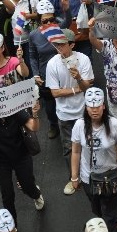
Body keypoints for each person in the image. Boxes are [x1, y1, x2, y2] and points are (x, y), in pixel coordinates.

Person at [0, 69, 44, 225]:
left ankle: (36, 194)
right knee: (7, 195)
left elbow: (33, 127)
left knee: (28, 186)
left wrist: (35, 114)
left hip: (21, 156)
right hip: (0, 161)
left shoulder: (16, 111)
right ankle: (13, 228)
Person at [70, 88, 117, 232]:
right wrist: (74, 177)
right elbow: (76, 151)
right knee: (97, 210)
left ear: (103, 106)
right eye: (91, 106)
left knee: (110, 217)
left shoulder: (114, 124)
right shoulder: (79, 125)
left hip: (110, 178)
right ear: (86, 107)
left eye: (97, 106)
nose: (94, 110)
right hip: (88, 178)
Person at [46, 28, 94, 184]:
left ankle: (91, 174)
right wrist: (76, 89)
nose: (59, 48)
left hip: (84, 112)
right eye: (57, 45)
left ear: (72, 45)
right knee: (68, 148)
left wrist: (79, 78)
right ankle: (74, 177)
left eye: (62, 44)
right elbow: (55, 93)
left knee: (89, 144)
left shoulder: (84, 59)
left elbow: (87, 86)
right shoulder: (52, 64)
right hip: (64, 114)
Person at [29, 0, 71, 139]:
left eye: (51, 20)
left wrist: (67, 8)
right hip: (45, 75)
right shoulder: (33, 35)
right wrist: (35, 75)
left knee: (66, 100)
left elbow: (68, 20)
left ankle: (69, 124)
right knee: (49, 106)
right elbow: (32, 56)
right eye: (44, 21)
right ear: (39, 21)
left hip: (62, 73)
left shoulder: (60, 28)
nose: (48, 24)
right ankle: (53, 124)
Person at [6, 0, 38, 73]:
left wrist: (29, 16)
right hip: (13, 42)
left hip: (30, 40)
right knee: (16, 68)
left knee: (31, 66)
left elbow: (40, 15)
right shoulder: (5, 2)